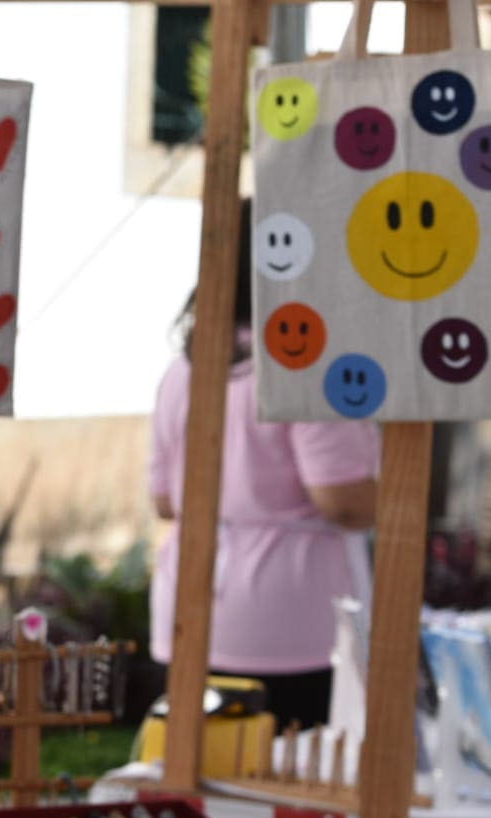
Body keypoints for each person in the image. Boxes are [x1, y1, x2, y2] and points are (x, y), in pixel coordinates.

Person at [148, 202, 380, 729]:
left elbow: (163, 500)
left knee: (198, 768)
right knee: (289, 772)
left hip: (187, 605)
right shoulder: (305, 361)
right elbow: (343, 501)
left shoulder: (184, 368)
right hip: (290, 624)